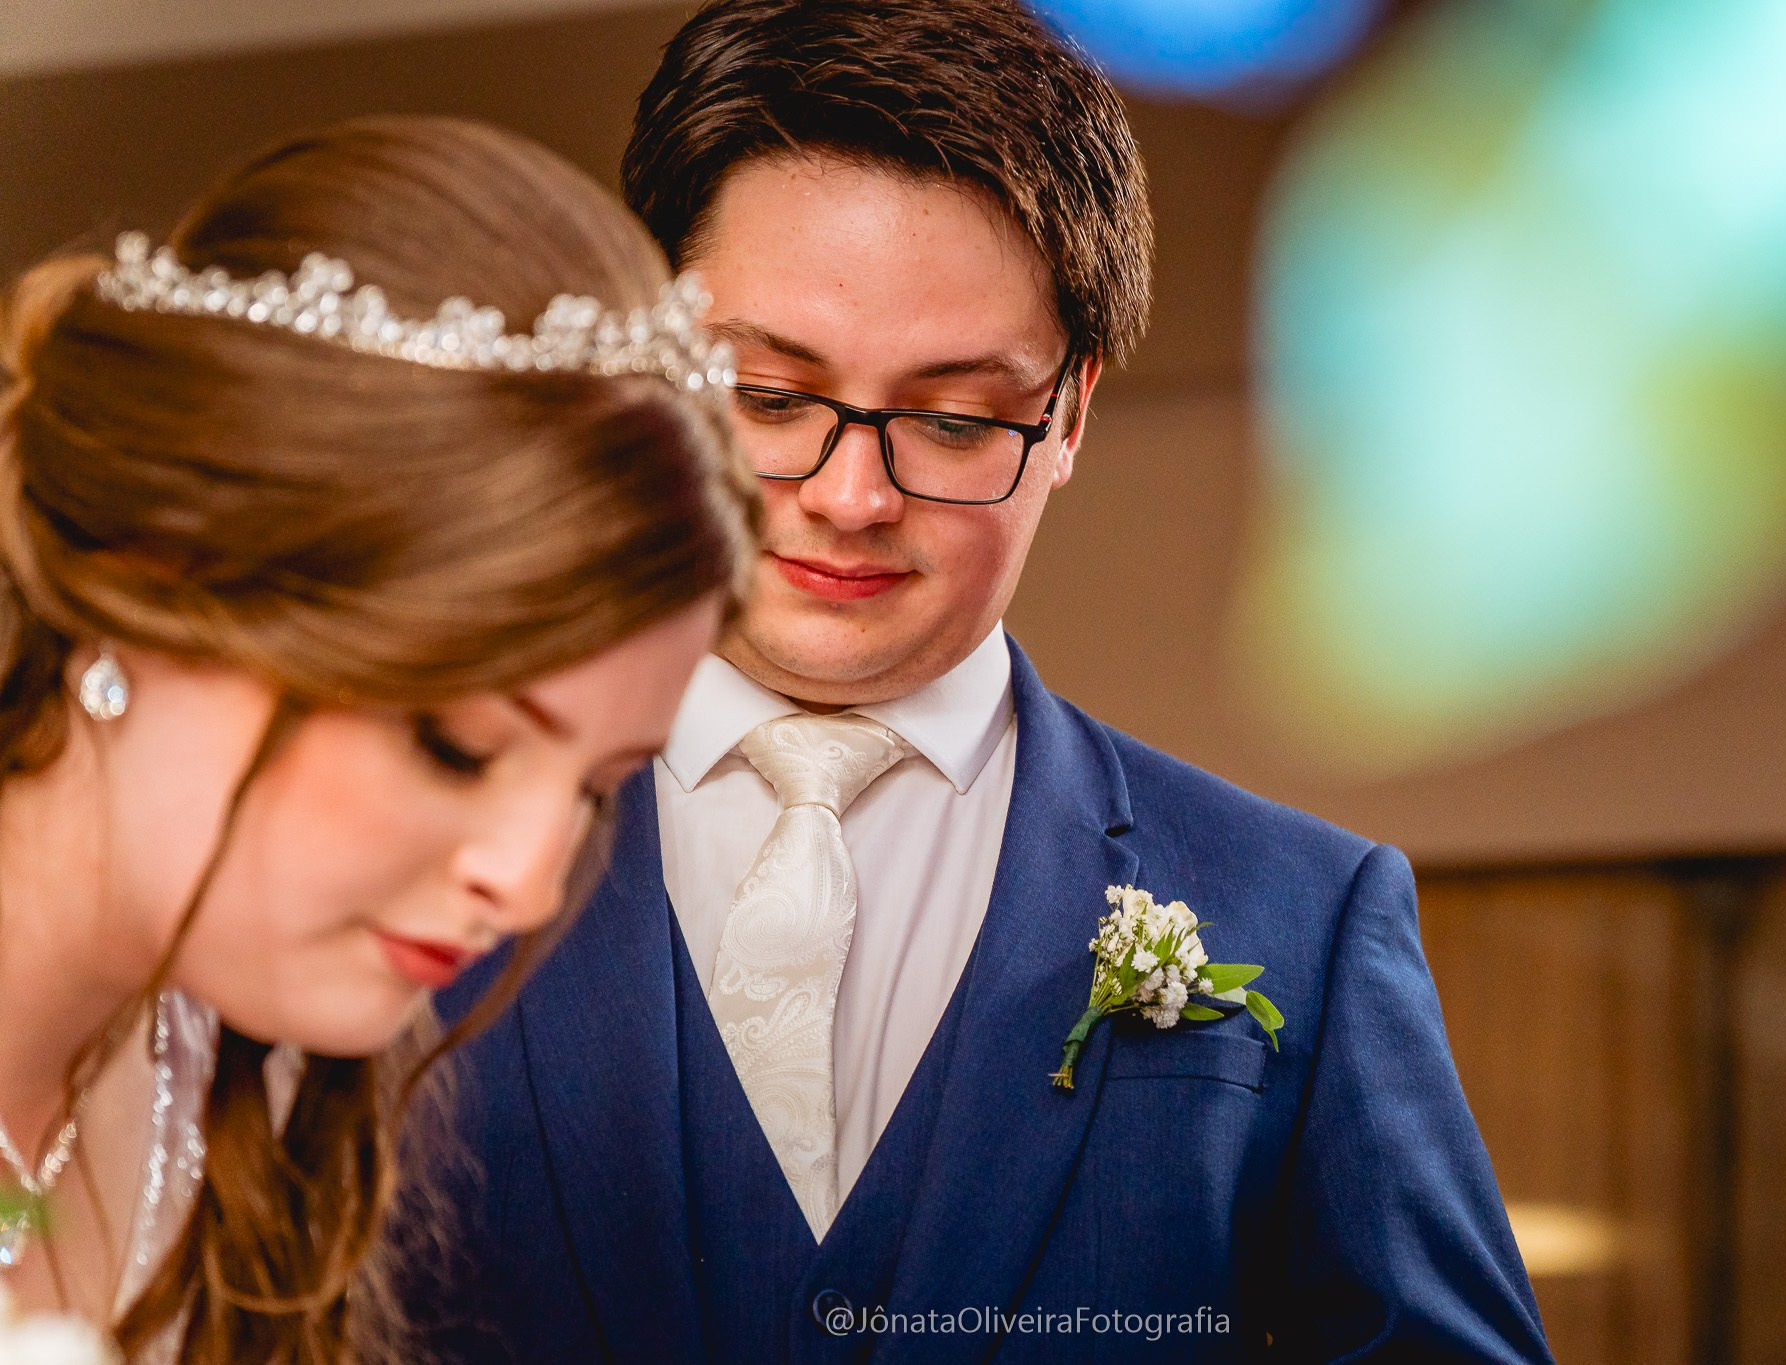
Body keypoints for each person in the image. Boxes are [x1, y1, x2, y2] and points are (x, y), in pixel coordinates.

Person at [435, 1, 1553, 1360]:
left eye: (954, 420)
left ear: (1069, 411)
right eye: (770, 400)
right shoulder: (398, 841)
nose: (851, 497)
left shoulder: (1305, 920)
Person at [0, 115, 754, 1363]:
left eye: (597, 788)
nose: (525, 887)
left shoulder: (244, 1079)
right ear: (151, 576)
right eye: (456, 745)